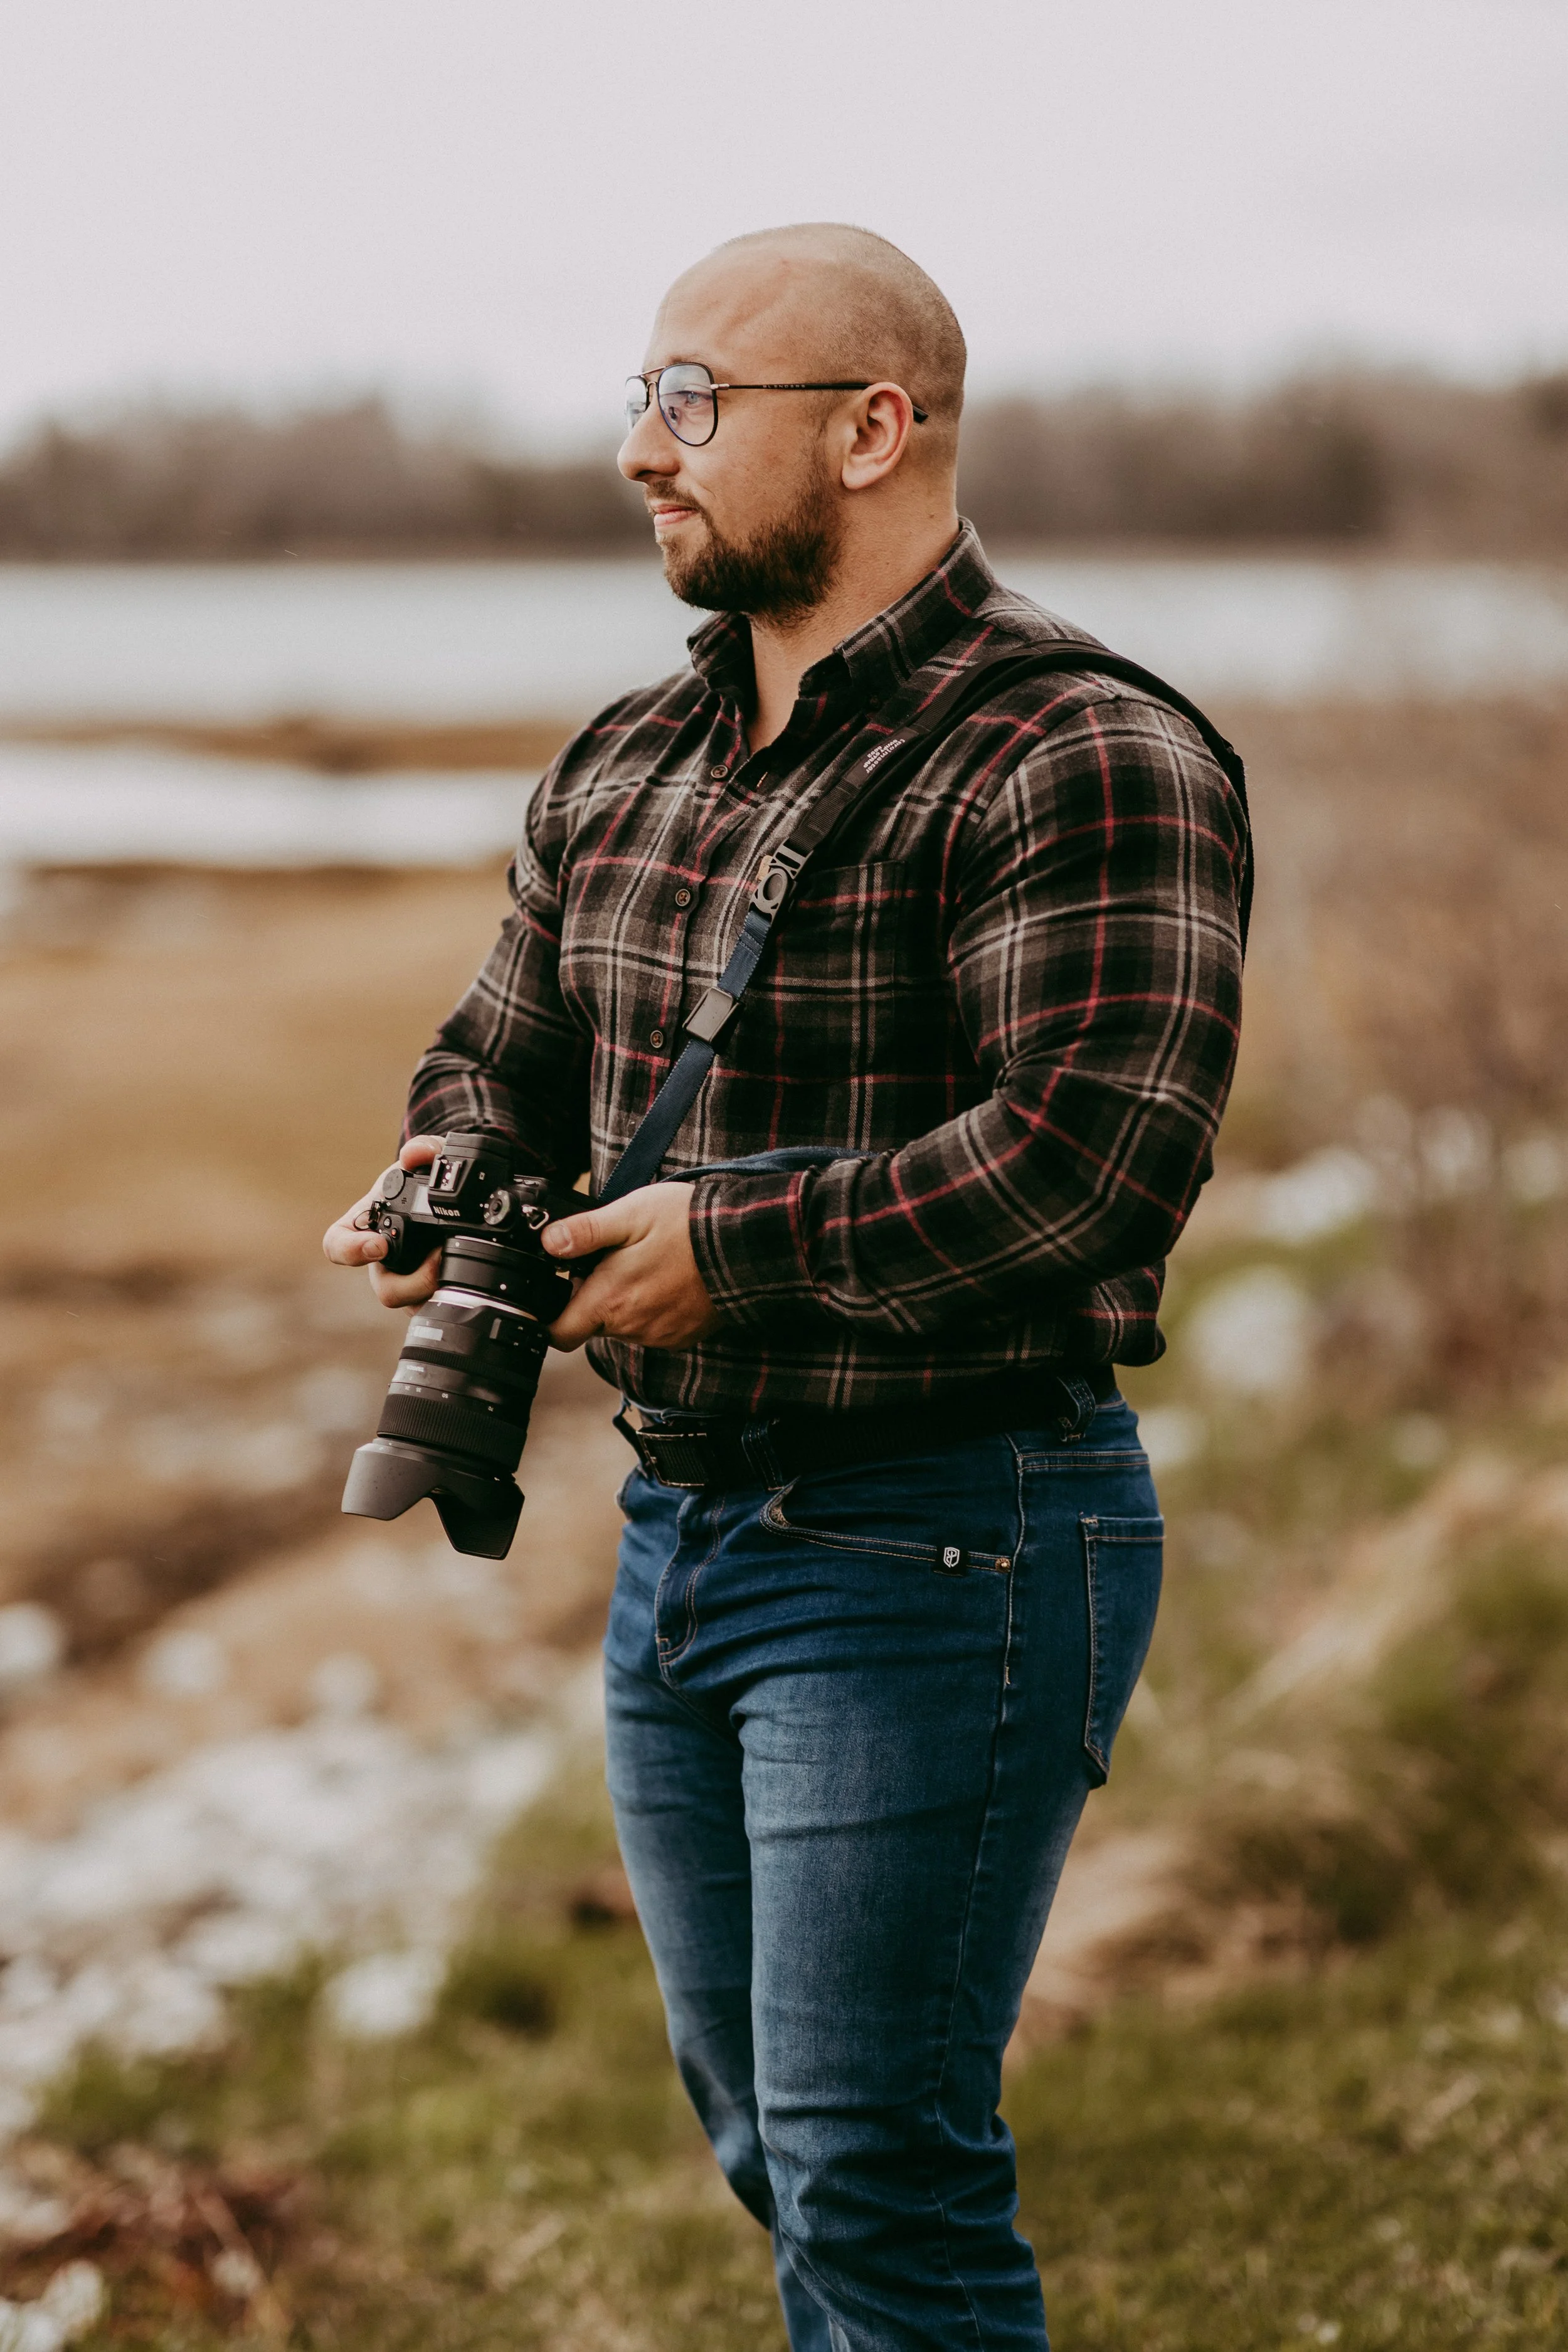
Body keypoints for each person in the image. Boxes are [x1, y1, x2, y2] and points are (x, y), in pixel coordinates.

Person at [324, 223, 1247, 2351]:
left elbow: (1091, 1168)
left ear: (870, 428)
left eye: (689, 401)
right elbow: (498, 1048)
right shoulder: (624, 763)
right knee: (773, 2144)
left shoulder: (1079, 751)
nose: (639, 451)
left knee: (873, 2163)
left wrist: (726, 1252)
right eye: (642, 395)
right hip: (684, 1537)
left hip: (951, 1536)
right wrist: (444, 1171)